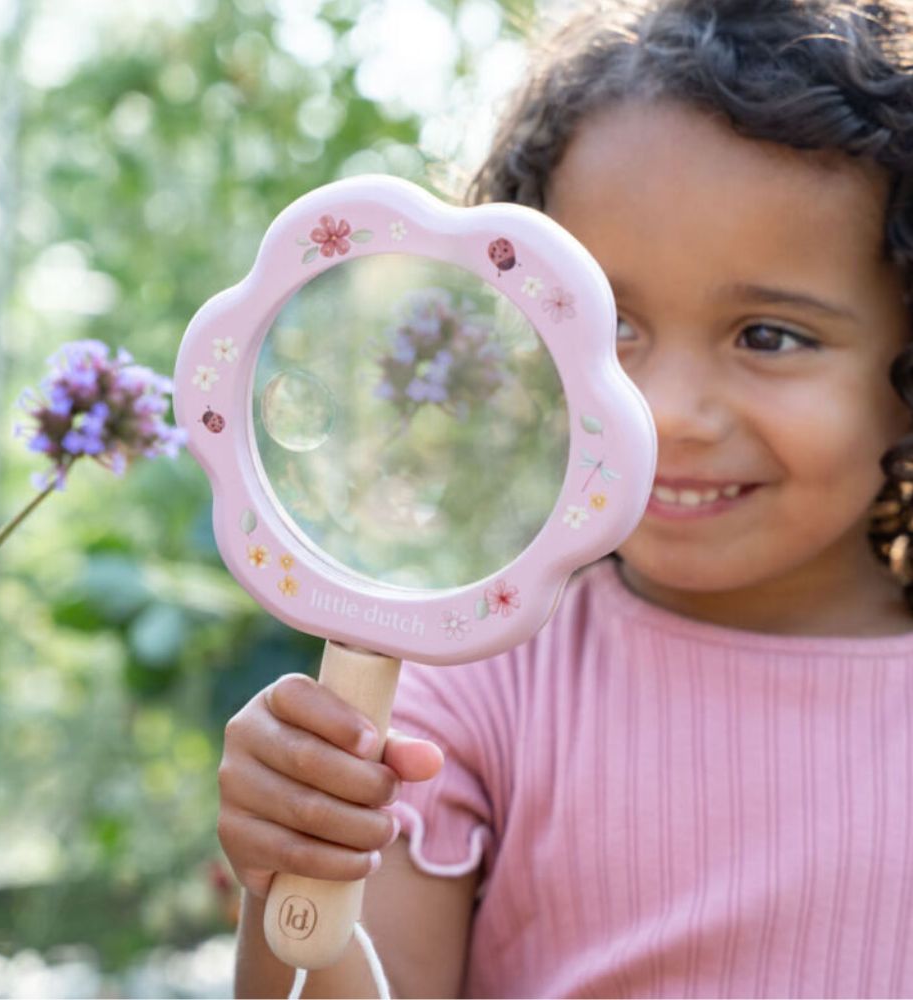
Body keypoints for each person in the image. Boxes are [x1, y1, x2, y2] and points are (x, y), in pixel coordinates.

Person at [217, 1, 913, 995]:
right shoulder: (469, 688)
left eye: (768, 336)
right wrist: (291, 875)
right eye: (611, 325)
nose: (662, 413)